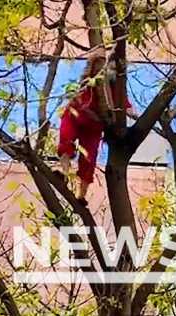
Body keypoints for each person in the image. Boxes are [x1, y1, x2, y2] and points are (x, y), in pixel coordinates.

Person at [56, 48, 133, 201]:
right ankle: (63, 173)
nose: (108, 71)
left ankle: (81, 195)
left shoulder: (117, 90)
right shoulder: (89, 80)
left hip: (94, 125)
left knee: (89, 158)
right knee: (66, 139)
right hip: (76, 115)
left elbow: (128, 107)